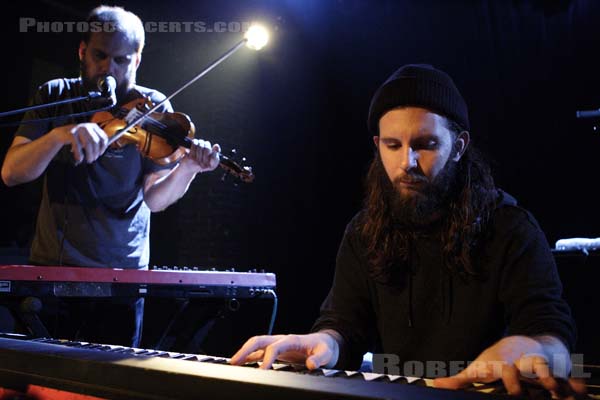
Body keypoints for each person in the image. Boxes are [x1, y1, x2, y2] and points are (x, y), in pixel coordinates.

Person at [231, 64, 585, 397]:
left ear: (459, 146)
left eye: (425, 145)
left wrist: (534, 347)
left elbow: (552, 334)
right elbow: (346, 326)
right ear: (377, 146)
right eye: (393, 145)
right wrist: (326, 341)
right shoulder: (364, 232)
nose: (407, 163)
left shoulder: (510, 228)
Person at [1, 6, 220, 347]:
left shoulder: (154, 109)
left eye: (121, 60)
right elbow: (11, 172)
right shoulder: (55, 94)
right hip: (52, 271)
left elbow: (155, 198)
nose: (109, 68)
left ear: (137, 60)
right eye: (100, 56)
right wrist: (59, 135)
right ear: (82, 51)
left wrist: (188, 168)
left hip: (122, 277)